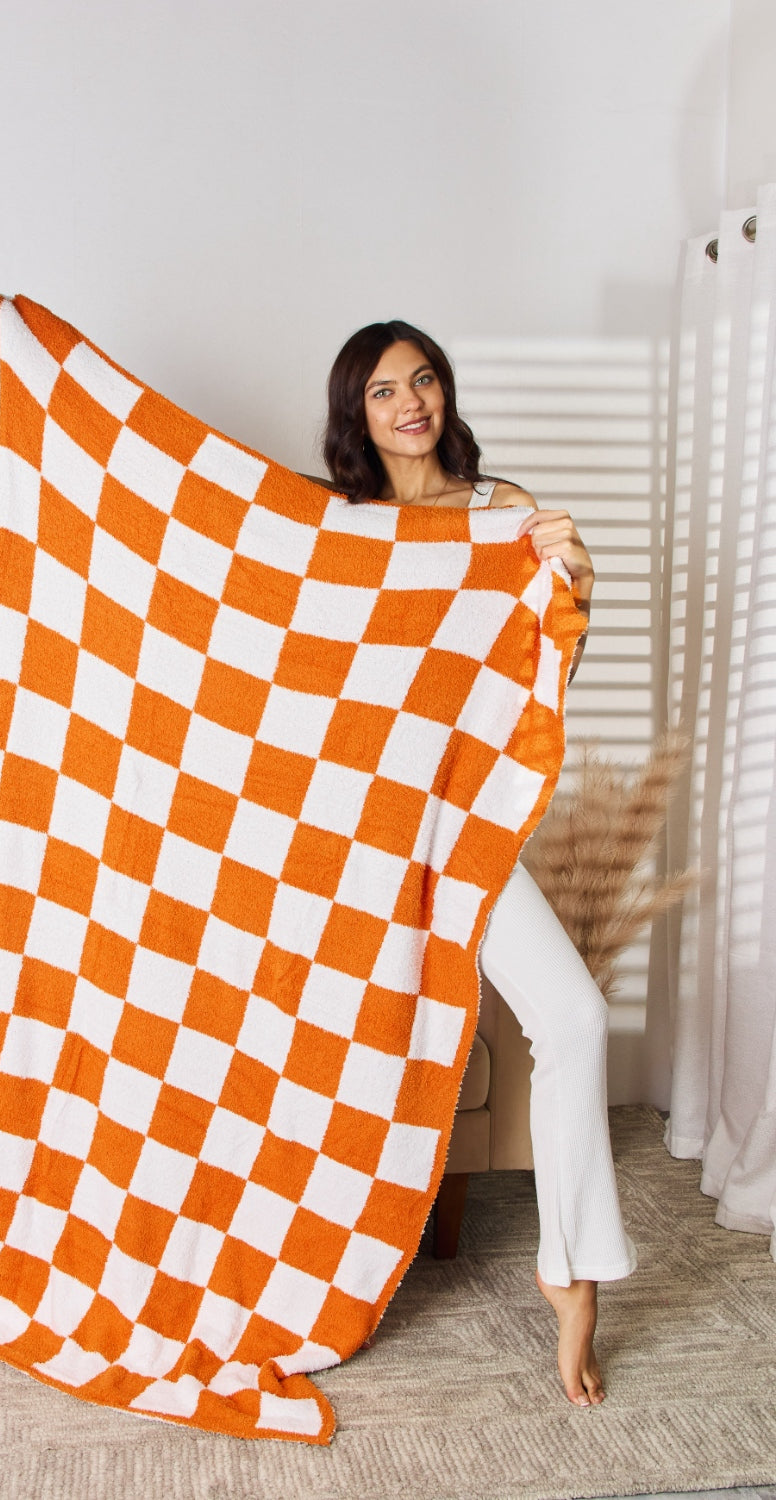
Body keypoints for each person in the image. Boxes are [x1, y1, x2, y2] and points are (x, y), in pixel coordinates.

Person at [321, 321, 637, 1408]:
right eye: (381, 392)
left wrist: (575, 590)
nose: (409, 402)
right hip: (358, 837)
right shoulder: (343, 532)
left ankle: (572, 1274)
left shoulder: (504, 517)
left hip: (463, 836)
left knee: (575, 1019)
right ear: (355, 417)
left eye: (422, 380)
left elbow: (542, 679)